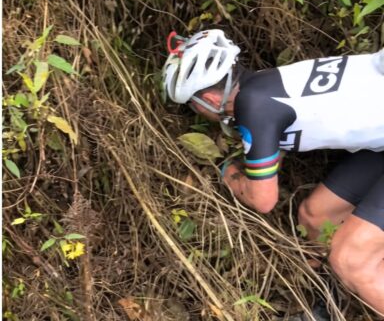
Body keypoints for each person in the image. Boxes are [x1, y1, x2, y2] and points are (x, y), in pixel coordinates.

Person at [162, 29, 384, 314]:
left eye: (193, 106)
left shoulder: (253, 106)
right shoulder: (264, 85)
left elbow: (263, 199)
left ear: (210, 100)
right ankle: (330, 304)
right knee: (315, 216)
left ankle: (364, 276)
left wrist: (226, 172)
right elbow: (273, 146)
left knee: (352, 260)